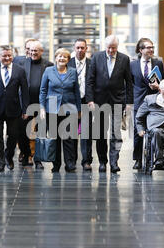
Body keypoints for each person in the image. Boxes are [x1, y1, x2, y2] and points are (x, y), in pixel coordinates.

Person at [85, 35, 133, 173]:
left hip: (118, 100)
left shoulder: (124, 59)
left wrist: (129, 102)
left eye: (114, 48)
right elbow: (90, 80)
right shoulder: (96, 57)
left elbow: (129, 82)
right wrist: (90, 99)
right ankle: (102, 161)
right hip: (99, 101)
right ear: (104, 46)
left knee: (116, 134)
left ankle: (114, 162)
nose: (111, 50)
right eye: (109, 48)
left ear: (117, 47)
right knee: (100, 133)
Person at [40, 48, 81, 173]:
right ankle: (56, 164)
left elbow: (76, 92)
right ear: (56, 58)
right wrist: (42, 107)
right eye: (60, 56)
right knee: (54, 138)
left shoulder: (73, 72)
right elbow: (43, 90)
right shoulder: (48, 71)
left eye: (65, 57)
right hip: (51, 108)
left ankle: (70, 164)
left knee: (69, 138)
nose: (62, 58)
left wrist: (79, 109)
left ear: (68, 60)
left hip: (69, 108)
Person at [0, 45, 29, 172]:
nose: (7, 58)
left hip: (14, 109)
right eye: (4, 56)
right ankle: (0, 162)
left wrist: (25, 109)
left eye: (9, 55)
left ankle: (8, 156)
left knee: (13, 136)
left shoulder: (20, 70)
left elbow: (24, 91)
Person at [130, 37, 164, 170]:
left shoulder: (158, 63)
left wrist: (159, 86)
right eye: (148, 48)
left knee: (154, 129)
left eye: (152, 47)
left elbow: (163, 80)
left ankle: (154, 158)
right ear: (141, 50)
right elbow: (130, 83)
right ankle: (138, 159)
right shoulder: (132, 64)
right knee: (137, 130)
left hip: (154, 100)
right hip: (139, 101)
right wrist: (129, 102)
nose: (151, 50)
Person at [20, 40, 54, 170]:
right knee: (24, 132)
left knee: (40, 132)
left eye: (36, 51)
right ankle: (26, 154)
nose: (33, 53)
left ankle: (38, 159)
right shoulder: (21, 63)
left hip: (41, 104)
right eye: (31, 50)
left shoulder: (49, 65)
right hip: (25, 104)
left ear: (41, 51)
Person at [67, 38, 92, 171]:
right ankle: (71, 162)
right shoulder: (68, 63)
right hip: (71, 102)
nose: (80, 50)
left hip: (87, 102)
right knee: (71, 133)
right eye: (77, 47)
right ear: (74, 48)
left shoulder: (92, 63)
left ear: (86, 48)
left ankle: (86, 161)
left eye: (82, 47)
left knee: (86, 134)